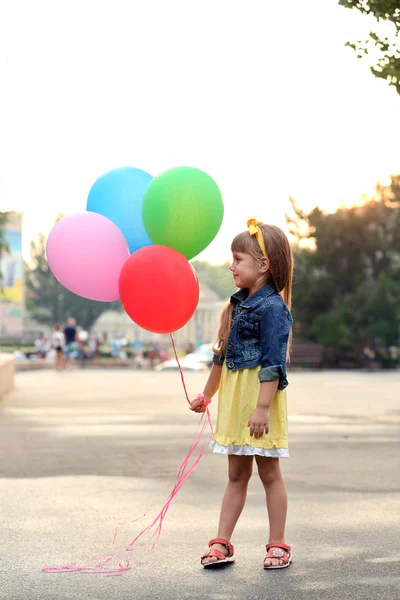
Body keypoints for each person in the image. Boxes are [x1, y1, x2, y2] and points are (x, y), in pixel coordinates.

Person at [190, 218, 293, 570]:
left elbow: (274, 363)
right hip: (235, 402)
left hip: (258, 400)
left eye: (238, 259)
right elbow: (221, 357)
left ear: (263, 265)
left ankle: (277, 544)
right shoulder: (235, 305)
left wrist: (263, 407)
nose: (232, 266)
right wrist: (205, 396)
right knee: (236, 475)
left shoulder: (274, 308)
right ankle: (222, 542)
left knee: (269, 474)